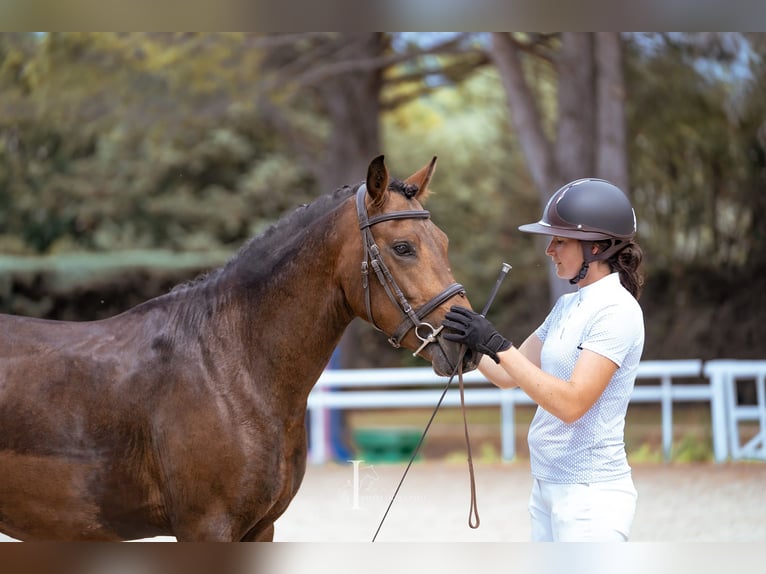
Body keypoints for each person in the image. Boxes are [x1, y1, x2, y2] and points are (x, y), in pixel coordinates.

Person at [444, 178, 645, 542]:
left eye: (560, 241)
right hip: (546, 488)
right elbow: (510, 374)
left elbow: (571, 404)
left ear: (596, 247)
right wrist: (465, 345)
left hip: (590, 497)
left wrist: (495, 342)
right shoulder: (568, 305)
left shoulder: (617, 311)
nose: (549, 250)